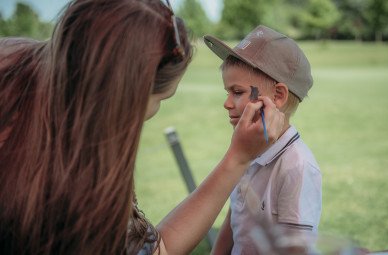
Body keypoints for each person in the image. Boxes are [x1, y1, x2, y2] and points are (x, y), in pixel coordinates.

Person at [0, 1, 285, 254]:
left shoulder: (15, 65)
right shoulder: (78, 183)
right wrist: (238, 158)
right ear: (125, 98)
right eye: (160, 99)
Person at [204, 25, 322, 254]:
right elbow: (235, 215)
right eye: (227, 92)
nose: (227, 103)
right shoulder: (248, 148)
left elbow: (295, 249)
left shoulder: (297, 167)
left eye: (237, 92)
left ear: (278, 96)